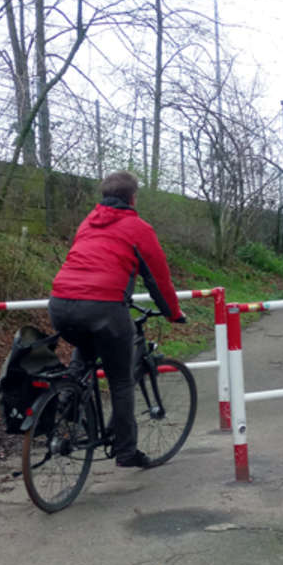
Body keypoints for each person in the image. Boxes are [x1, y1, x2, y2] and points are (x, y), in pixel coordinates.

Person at [48, 170, 186, 468]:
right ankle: (126, 452)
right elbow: (158, 279)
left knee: (84, 352)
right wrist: (173, 313)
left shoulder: (87, 222)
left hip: (60, 305)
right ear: (133, 197)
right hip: (103, 309)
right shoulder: (138, 228)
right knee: (121, 379)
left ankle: (64, 409)